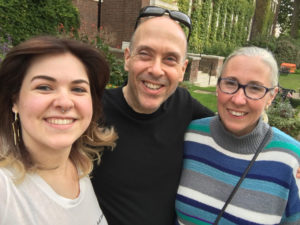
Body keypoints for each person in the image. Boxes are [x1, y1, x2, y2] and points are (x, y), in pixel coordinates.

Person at [91, 6, 214, 225]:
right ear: (127, 58)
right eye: (145, 54)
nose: (156, 70)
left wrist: (292, 153)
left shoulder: (184, 105)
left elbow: (236, 128)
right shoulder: (94, 110)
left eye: (170, 59)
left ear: (182, 69)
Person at [175, 46, 300, 224]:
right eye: (230, 83)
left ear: (272, 96)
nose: (238, 99)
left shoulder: (291, 159)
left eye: (255, 88)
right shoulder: (190, 136)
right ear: (218, 86)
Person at [0, 36, 117, 225]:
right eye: (44, 87)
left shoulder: (80, 165)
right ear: (15, 100)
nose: (64, 102)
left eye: (78, 89)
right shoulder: (5, 188)